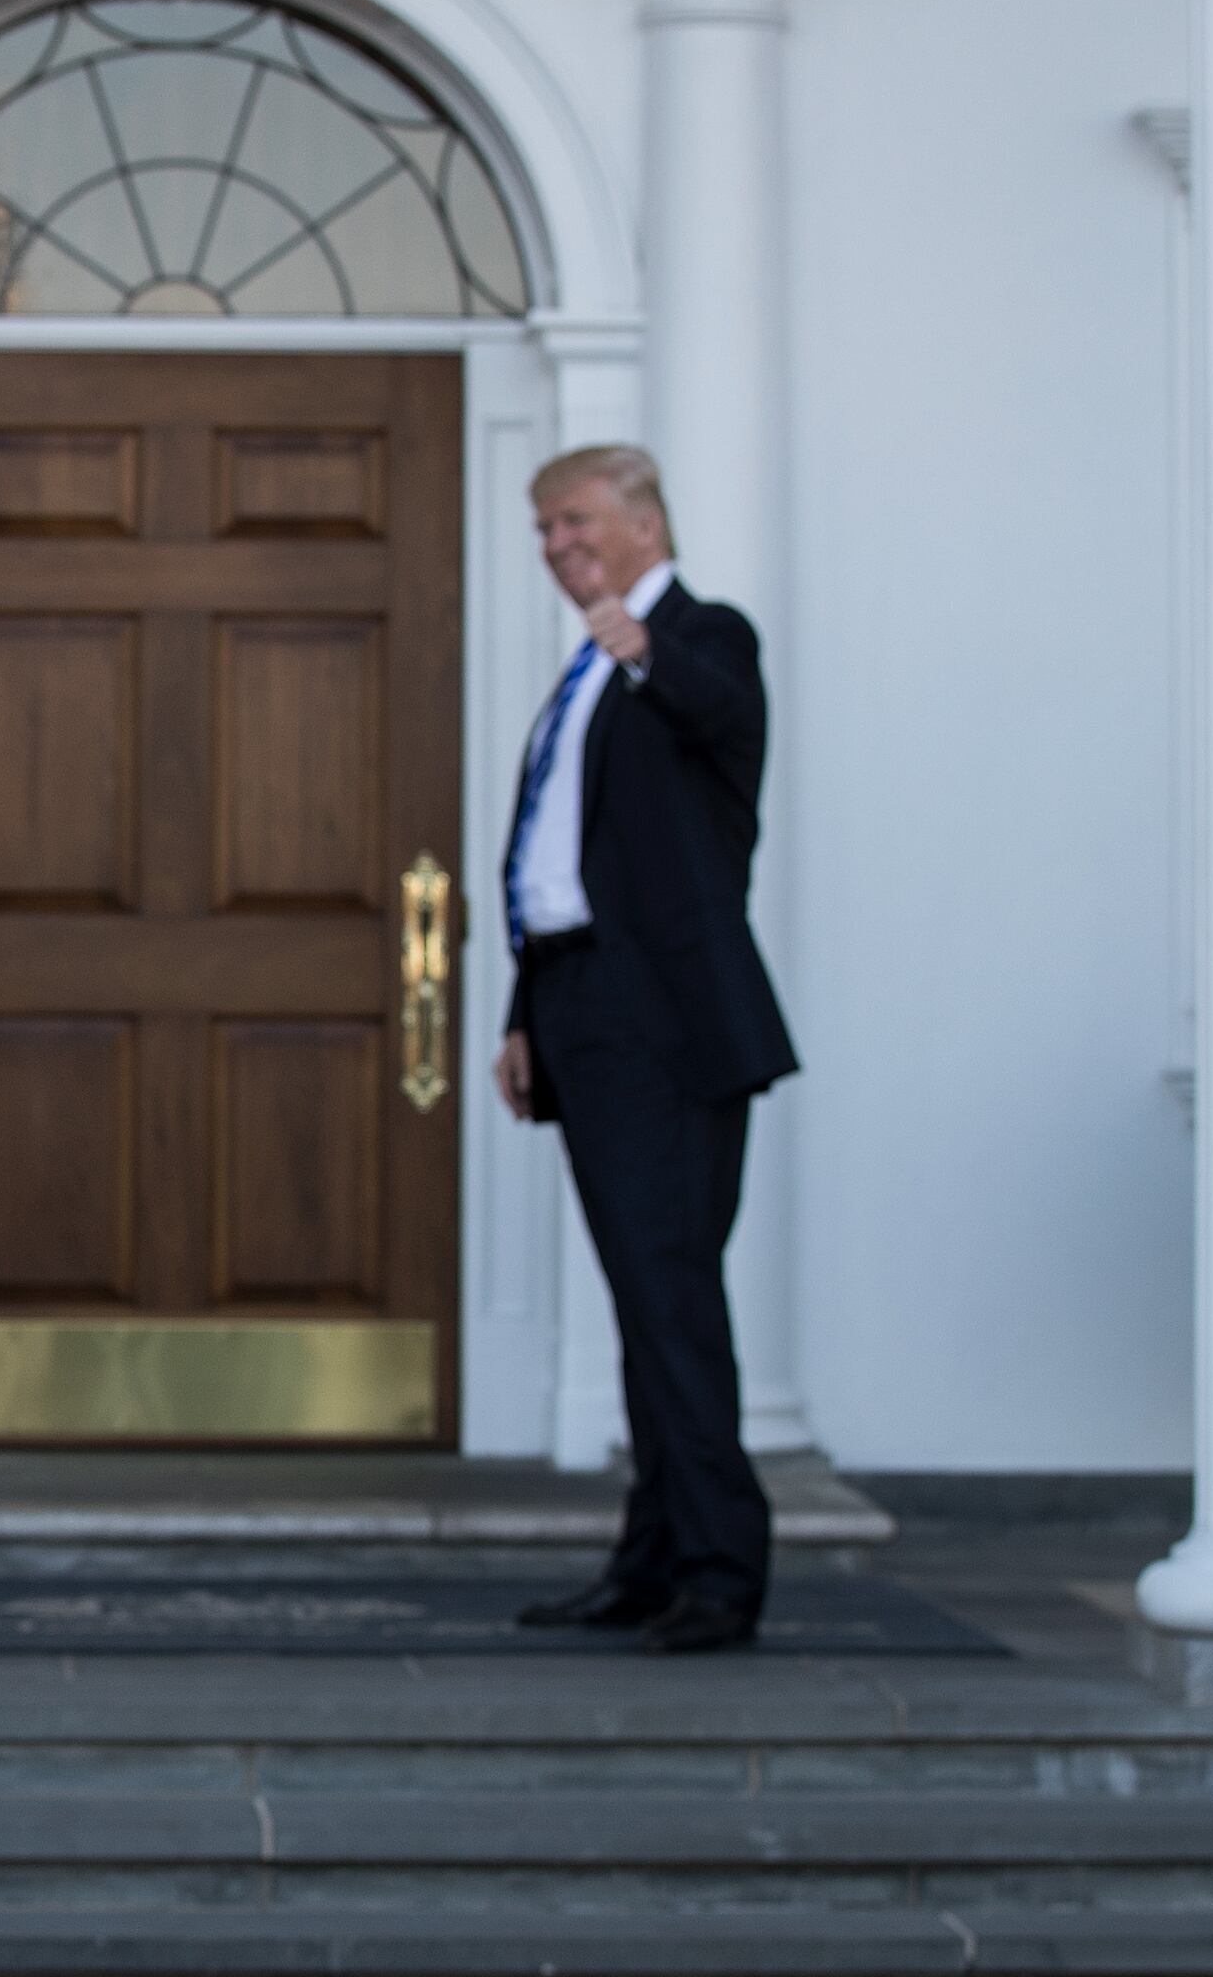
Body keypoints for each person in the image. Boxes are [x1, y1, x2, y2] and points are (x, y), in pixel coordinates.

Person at [492, 444, 798, 1657]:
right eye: (544, 531)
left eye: (575, 523)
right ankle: (656, 1554)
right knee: (644, 1295)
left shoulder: (701, 639)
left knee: (671, 1293)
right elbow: (560, 857)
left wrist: (647, 651)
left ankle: (721, 1570)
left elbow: (722, 716)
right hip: (578, 1005)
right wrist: (524, 1013)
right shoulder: (587, 674)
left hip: (660, 1020)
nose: (559, 547)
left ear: (644, 521)